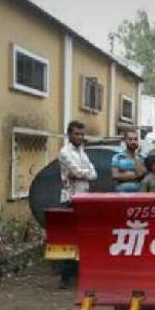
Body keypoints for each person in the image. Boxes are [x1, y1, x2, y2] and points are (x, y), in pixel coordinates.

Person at [57, 121, 97, 288]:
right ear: (69, 135)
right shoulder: (64, 152)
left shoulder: (82, 151)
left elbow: (94, 174)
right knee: (71, 238)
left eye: (81, 134)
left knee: (83, 237)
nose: (80, 137)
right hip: (71, 198)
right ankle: (65, 278)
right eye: (76, 134)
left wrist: (83, 174)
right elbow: (78, 171)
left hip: (84, 197)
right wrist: (84, 173)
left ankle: (77, 275)